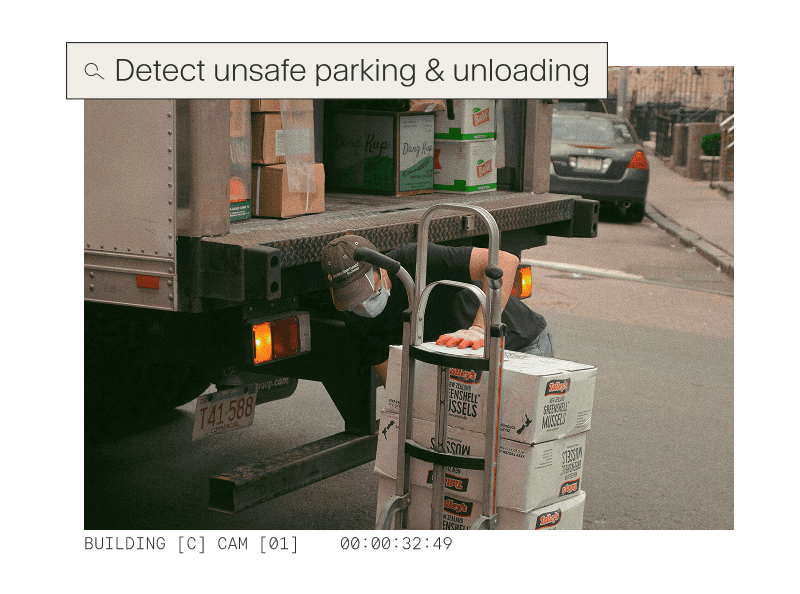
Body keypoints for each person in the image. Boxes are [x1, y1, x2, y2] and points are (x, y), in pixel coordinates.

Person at [321, 235, 555, 386]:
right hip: (465, 361)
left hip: (518, 344)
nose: (362, 305)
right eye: (352, 300)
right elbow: (396, 385)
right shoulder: (354, 315)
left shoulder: (415, 260)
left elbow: (505, 261)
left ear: (381, 268)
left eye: (367, 292)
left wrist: (480, 328)